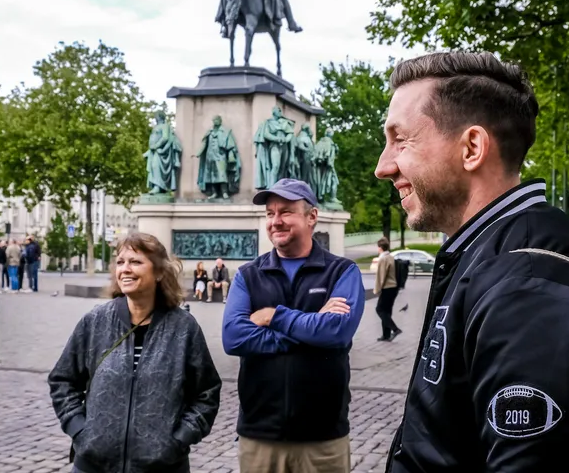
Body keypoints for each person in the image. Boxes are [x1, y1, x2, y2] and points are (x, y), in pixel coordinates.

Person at [375, 52, 569, 472]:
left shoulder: (526, 289)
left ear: (472, 147)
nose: (383, 166)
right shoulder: (488, 256)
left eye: (400, 139)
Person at [222, 178, 366, 473]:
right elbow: (234, 338)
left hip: (323, 438)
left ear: (311, 216)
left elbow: (336, 332)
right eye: (270, 213)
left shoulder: (341, 271)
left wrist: (273, 317)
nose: (276, 221)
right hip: (260, 436)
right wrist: (308, 331)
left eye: (286, 212)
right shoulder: (249, 275)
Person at [49, 232, 221, 473]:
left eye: (136, 262)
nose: (125, 269)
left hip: (163, 467)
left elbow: (207, 392)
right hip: (94, 466)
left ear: (159, 272)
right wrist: (80, 430)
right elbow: (62, 380)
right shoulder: (95, 321)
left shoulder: (184, 328)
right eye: (121, 262)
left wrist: (178, 440)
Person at [373, 237, 402, 342]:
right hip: (393, 288)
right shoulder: (390, 256)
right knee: (386, 311)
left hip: (387, 288)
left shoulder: (383, 258)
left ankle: (395, 329)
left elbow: (381, 276)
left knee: (379, 309)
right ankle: (386, 335)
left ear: (380, 247)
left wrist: (377, 290)